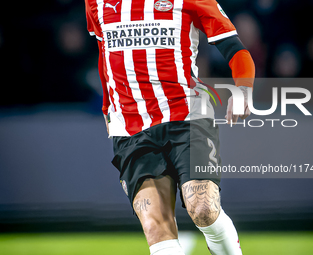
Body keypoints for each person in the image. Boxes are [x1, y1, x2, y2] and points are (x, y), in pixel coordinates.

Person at [85, 0, 255, 254]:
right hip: (130, 126)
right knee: (155, 226)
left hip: (187, 116)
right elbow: (104, 53)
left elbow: (234, 47)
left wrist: (243, 89)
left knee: (203, 208)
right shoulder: (96, 3)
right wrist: (107, 108)